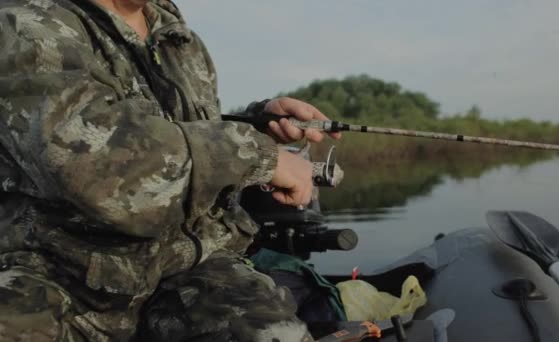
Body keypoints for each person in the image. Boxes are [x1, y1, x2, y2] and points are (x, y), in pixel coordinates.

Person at [0, 0, 339, 340]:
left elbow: (176, 124)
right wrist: (255, 153)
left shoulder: (177, 37)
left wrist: (256, 122)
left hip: (191, 266)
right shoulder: (25, 22)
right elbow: (99, 167)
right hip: (60, 274)